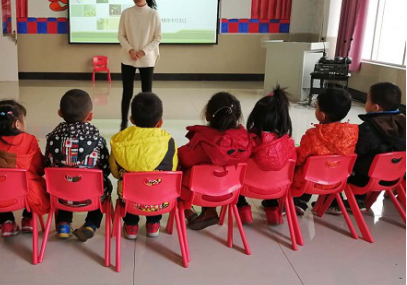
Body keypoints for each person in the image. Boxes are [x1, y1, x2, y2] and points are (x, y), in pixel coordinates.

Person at [178, 92, 253, 231]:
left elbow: (184, 158)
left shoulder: (203, 141)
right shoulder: (246, 140)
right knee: (213, 169)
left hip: (198, 192)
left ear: (207, 115)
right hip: (230, 192)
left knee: (178, 173)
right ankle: (210, 210)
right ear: (237, 117)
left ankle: (188, 212)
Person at [46, 89, 113, 242]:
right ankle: (91, 224)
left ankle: (63, 223)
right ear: (90, 116)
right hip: (91, 195)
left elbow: (47, 164)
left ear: (59, 113)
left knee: (62, 181)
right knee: (103, 185)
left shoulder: (52, 139)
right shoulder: (97, 140)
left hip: (60, 195)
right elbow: (105, 169)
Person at [0, 101, 49, 238]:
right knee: (35, 182)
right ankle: (28, 219)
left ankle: (7, 222)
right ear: (17, 124)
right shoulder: (29, 140)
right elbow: (39, 168)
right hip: (26, 195)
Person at [110, 93, 177, 240]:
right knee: (157, 185)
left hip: (129, 201)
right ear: (160, 122)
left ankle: (131, 225)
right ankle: (153, 223)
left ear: (132, 120)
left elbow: (114, 172)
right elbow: (172, 170)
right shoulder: (169, 141)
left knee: (128, 187)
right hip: (159, 201)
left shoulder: (119, 140)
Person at [292, 88, 359, 214]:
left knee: (300, 166)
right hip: (337, 182)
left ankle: (298, 201)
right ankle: (330, 202)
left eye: (316, 107)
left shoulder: (313, 135)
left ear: (322, 115)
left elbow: (299, 158)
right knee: (329, 165)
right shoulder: (352, 133)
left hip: (309, 182)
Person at [238, 87, 297, 225]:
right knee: (274, 173)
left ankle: (242, 209)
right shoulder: (289, 144)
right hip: (277, 189)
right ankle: (272, 210)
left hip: (245, 187)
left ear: (255, 117)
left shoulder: (247, 141)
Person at [346, 83, 406, 209]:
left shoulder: (368, 129)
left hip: (365, 180)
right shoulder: (403, 123)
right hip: (396, 177)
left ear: (375, 107)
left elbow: (355, 152)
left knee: (349, 163)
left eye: (367, 100)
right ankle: (360, 200)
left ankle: (355, 199)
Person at [118, 0, 162, 131]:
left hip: (147, 59)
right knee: (127, 92)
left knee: (146, 93)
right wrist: (130, 50)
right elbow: (121, 35)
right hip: (128, 57)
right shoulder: (126, 13)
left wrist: (144, 51)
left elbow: (157, 37)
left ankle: (147, 123)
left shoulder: (153, 14)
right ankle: (124, 122)